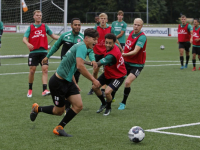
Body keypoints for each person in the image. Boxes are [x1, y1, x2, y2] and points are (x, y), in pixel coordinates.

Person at [30, 28, 100, 137]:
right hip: (58, 83)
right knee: (59, 111)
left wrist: (74, 83)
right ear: (86, 38)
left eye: (97, 39)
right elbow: (80, 66)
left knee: (78, 105)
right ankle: (37, 109)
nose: (96, 42)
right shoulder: (81, 46)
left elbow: (71, 65)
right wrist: (94, 80)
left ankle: (59, 127)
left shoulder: (82, 46)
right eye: (94, 39)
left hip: (68, 82)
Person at [47, 18, 96, 112]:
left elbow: (90, 51)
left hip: (76, 68)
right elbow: (56, 46)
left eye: (79, 25)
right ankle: (64, 107)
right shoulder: (65, 35)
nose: (77, 27)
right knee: (65, 87)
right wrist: (48, 56)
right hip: (65, 67)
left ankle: (68, 108)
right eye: (75, 25)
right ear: (71, 26)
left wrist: (93, 60)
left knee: (72, 87)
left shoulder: (83, 39)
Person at [87, 33, 126, 116]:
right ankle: (103, 103)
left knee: (107, 92)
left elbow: (96, 64)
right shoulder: (114, 46)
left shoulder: (111, 55)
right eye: (106, 42)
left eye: (110, 43)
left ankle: (108, 107)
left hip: (118, 76)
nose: (107, 45)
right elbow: (118, 46)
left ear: (114, 43)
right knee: (94, 87)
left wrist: (81, 61)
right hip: (109, 72)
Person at [23, 10, 59, 98]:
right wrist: (28, 43)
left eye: (40, 15)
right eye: (37, 15)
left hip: (43, 52)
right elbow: (24, 38)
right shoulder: (30, 27)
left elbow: (53, 36)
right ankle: (30, 89)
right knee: (32, 71)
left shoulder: (45, 26)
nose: (39, 16)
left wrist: (63, 37)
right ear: (34, 17)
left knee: (45, 70)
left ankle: (44, 90)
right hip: (33, 52)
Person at [87, 13, 122, 96]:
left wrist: (120, 48)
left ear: (107, 20)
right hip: (97, 52)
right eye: (101, 18)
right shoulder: (96, 28)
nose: (102, 20)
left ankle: (103, 89)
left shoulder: (110, 29)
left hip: (107, 53)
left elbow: (115, 39)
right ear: (99, 20)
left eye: (104, 18)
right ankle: (94, 86)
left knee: (106, 71)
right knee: (95, 71)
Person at [118, 18, 147, 110]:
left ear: (141, 26)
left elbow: (135, 51)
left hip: (137, 65)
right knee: (117, 79)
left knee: (127, 82)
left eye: (138, 25)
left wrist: (124, 54)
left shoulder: (142, 37)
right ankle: (111, 96)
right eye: (135, 24)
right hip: (126, 62)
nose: (136, 26)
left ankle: (123, 102)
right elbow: (128, 46)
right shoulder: (131, 32)